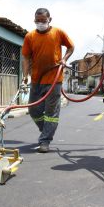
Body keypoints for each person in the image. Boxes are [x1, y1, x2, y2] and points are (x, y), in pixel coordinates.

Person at [22, 8, 75, 153]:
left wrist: (64, 59)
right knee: (33, 110)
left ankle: (45, 140)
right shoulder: (29, 36)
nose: (40, 23)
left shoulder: (58, 32)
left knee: (51, 113)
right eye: (37, 21)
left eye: (43, 21)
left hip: (54, 79)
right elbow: (26, 57)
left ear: (49, 19)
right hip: (37, 79)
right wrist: (25, 75)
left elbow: (71, 47)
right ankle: (46, 130)